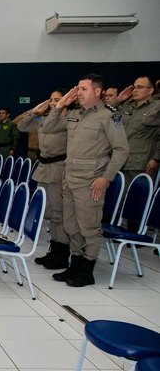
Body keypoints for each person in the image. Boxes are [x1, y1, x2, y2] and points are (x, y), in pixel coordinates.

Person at [39, 74, 129, 287]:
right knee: (71, 226)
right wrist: (61, 104)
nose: (78, 92)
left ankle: (87, 269)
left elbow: (121, 149)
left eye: (83, 89)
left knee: (89, 227)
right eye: (77, 88)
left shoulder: (108, 116)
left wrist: (105, 178)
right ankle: (76, 263)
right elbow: (47, 127)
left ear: (97, 91)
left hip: (91, 181)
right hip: (70, 179)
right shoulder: (74, 115)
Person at [17, 89, 70, 269]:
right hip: (44, 169)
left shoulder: (69, 121)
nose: (53, 103)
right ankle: (53, 249)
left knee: (58, 213)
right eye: (51, 100)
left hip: (58, 168)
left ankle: (62, 252)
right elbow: (21, 126)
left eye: (57, 100)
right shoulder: (44, 121)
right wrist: (34, 112)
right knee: (48, 212)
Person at [114, 77, 160, 186]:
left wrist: (156, 159)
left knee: (137, 194)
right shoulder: (127, 105)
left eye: (140, 87)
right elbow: (111, 119)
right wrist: (117, 101)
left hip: (140, 163)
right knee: (119, 194)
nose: (135, 90)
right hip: (120, 161)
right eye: (134, 87)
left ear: (151, 90)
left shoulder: (157, 107)